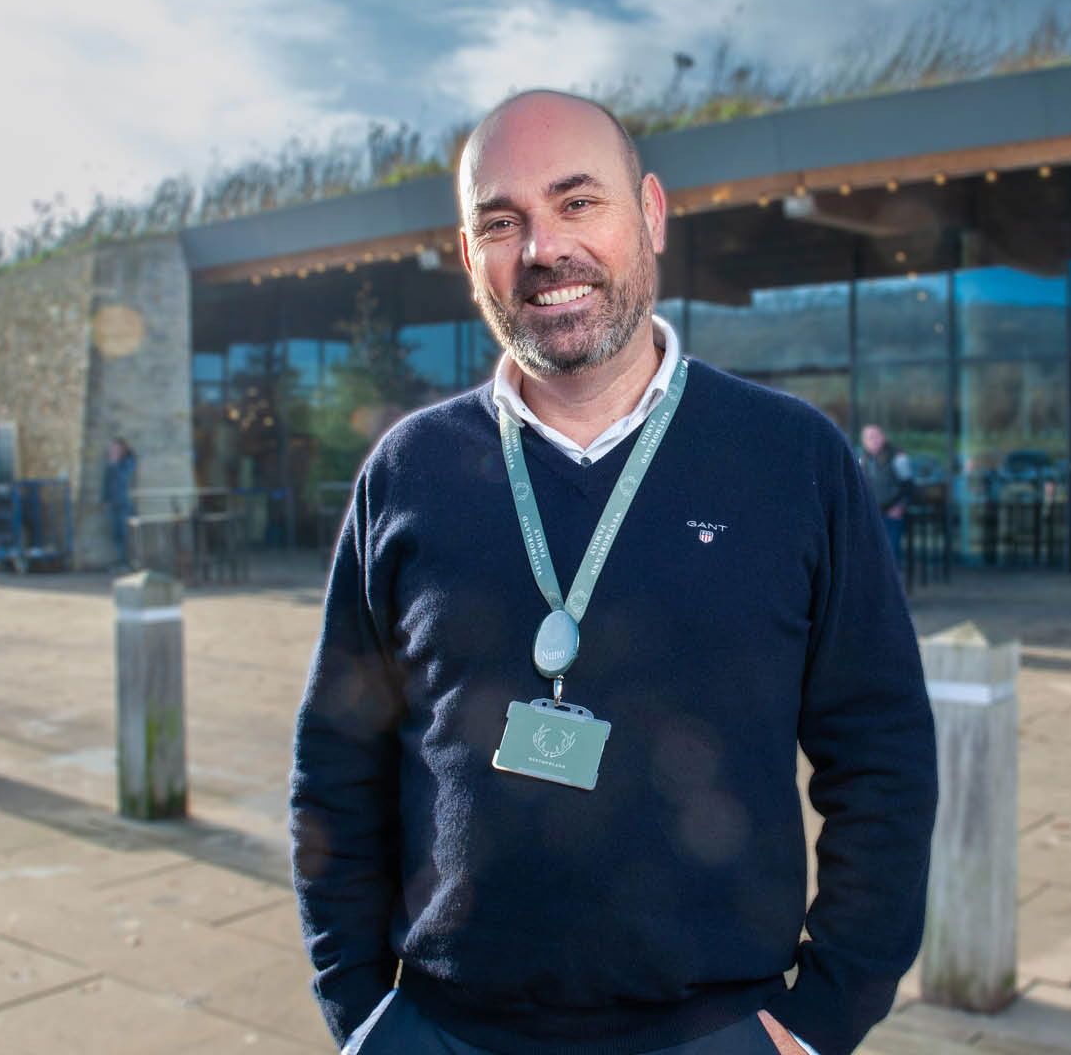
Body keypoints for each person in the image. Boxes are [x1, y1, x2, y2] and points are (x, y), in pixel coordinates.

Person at [290, 90, 937, 1055]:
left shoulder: (791, 459)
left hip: (717, 1030)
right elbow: (336, 763)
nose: (543, 249)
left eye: (577, 202)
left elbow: (882, 755)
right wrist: (360, 1010)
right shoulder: (408, 470)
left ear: (652, 214)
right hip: (441, 1028)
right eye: (501, 222)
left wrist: (822, 1018)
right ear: (472, 259)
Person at [858, 424, 915, 564]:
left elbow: (909, 487)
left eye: (876, 436)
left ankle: (892, 585)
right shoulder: (862, 460)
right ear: (864, 442)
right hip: (872, 514)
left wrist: (900, 507)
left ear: (883, 437)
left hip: (892, 513)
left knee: (890, 555)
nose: (873, 440)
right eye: (868, 438)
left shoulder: (898, 457)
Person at [101, 437, 136, 571]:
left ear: (122, 449)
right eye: (111, 448)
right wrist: (105, 499)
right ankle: (121, 561)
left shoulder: (128, 461)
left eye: (115, 448)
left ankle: (128, 562)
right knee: (115, 534)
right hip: (113, 503)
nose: (112, 451)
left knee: (125, 533)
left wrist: (114, 465)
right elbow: (106, 482)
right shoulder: (111, 463)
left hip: (125, 503)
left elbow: (124, 479)